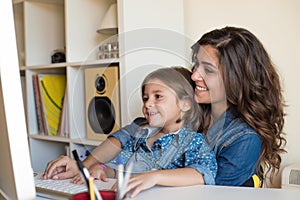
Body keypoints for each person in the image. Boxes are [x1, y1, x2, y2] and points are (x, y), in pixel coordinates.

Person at [42, 67, 217, 198]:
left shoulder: (193, 141)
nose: (148, 104)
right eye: (146, 98)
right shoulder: (141, 136)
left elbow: (202, 174)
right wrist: (101, 170)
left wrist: (154, 177)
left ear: (185, 104)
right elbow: (120, 169)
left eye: (158, 96)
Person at [190, 26, 286, 187]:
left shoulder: (245, 139)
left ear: (237, 78)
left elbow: (214, 195)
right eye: (196, 64)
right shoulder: (192, 106)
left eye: (208, 70)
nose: (194, 75)